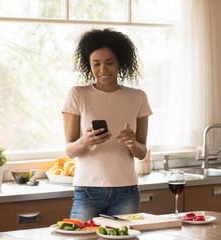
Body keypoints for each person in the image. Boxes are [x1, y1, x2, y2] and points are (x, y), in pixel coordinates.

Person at [62, 28, 153, 221]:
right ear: (89, 64)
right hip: (88, 190)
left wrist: (132, 143)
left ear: (121, 61)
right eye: (96, 64)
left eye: (109, 63)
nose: (103, 70)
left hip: (127, 191)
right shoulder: (78, 94)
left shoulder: (138, 97)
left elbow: (141, 152)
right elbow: (70, 150)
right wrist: (86, 141)